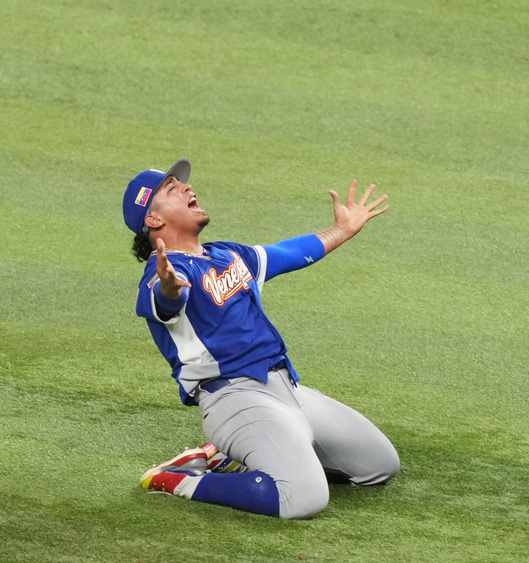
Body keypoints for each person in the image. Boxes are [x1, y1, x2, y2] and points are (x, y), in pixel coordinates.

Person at [123, 159, 400, 517]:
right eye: (172, 189)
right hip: (236, 400)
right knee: (303, 498)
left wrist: (342, 230)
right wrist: (170, 288)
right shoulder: (159, 275)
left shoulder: (227, 253)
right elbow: (165, 300)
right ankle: (177, 479)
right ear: (153, 219)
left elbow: (287, 253)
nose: (189, 188)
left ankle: (224, 457)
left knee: (379, 466)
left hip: (290, 390)